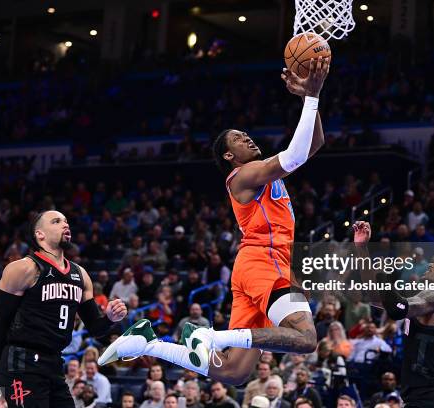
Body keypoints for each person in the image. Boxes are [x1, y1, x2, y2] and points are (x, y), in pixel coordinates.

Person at [100, 58, 331, 384]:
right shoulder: (243, 175)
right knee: (306, 338)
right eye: (238, 138)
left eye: (247, 134)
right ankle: (213, 337)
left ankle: (149, 343)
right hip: (264, 260)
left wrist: (312, 98)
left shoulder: (259, 171)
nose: (247, 138)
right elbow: (295, 155)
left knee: (234, 372)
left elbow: (313, 144)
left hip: (254, 266)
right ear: (228, 156)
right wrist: (312, 95)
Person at [0, 210, 127, 407]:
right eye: (56, 221)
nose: (65, 225)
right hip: (21, 361)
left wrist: (110, 318)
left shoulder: (80, 274)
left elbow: (95, 328)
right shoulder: (23, 268)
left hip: (55, 363)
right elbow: (0, 320)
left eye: (66, 221)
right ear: (39, 234)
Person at [357, 222, 434, 408]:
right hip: (424, 399)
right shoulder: (421, 298)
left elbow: (396, 309)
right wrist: (361, 248)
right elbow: (374, 295)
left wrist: (384, 273)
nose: (432, 264)